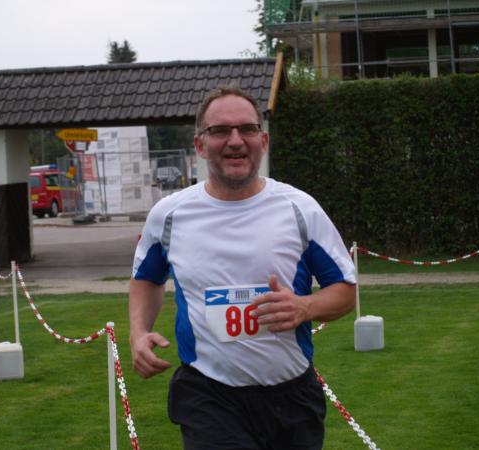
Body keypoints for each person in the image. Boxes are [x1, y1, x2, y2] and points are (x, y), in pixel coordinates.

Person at [129, 85, 357, 450]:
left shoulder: (300, 209)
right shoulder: (169, 215)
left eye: (247, 129)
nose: (235, 141)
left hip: (292, 396)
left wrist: (305, 307)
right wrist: (138, 332)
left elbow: (345, 290)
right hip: (208, 396)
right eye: (220, 130)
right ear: (200, 145)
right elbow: (146, 278)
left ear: (263, 141)